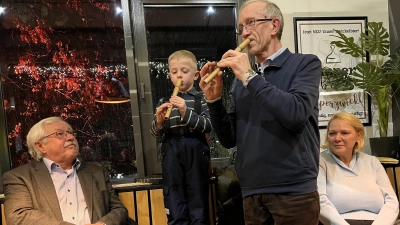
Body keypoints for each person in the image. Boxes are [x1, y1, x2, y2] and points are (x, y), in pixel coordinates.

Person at [199, 0, 322, 224]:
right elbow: (229, 139)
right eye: (241, 27)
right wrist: (214, 100)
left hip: (294, 191)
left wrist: (248, 77)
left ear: (274, 26)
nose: (244, 32)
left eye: (251, 23)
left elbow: (295, 114)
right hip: (252, 192)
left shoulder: (305, 64)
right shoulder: (243, 82)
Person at [2, 117, 133, 225]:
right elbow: (18, 216)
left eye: (71, 133)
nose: (70, 137)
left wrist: (103, 224)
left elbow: (118, 209)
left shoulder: (97, 172)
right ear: (40, 146)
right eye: (60, 134)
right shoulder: (19, 177)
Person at [150, 50, 212, 225]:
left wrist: (186, 112)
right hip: (171, 150)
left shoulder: (201, 99)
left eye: (184, 72)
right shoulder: (164, 100)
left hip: (195, 148)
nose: (179, 76)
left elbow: (208, 126)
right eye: (174, 72)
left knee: (198, 201)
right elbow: (155, 133)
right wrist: (159, 121)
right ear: (169, 74)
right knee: (174, 200)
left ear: (196, 74)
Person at [318, 112, 399, 225]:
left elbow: (391, 201)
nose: (337, 138)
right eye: (332, 133)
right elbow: (319, 201)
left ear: (358, 135)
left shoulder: (372, 162)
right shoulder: (320, 161)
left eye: (344, 133)